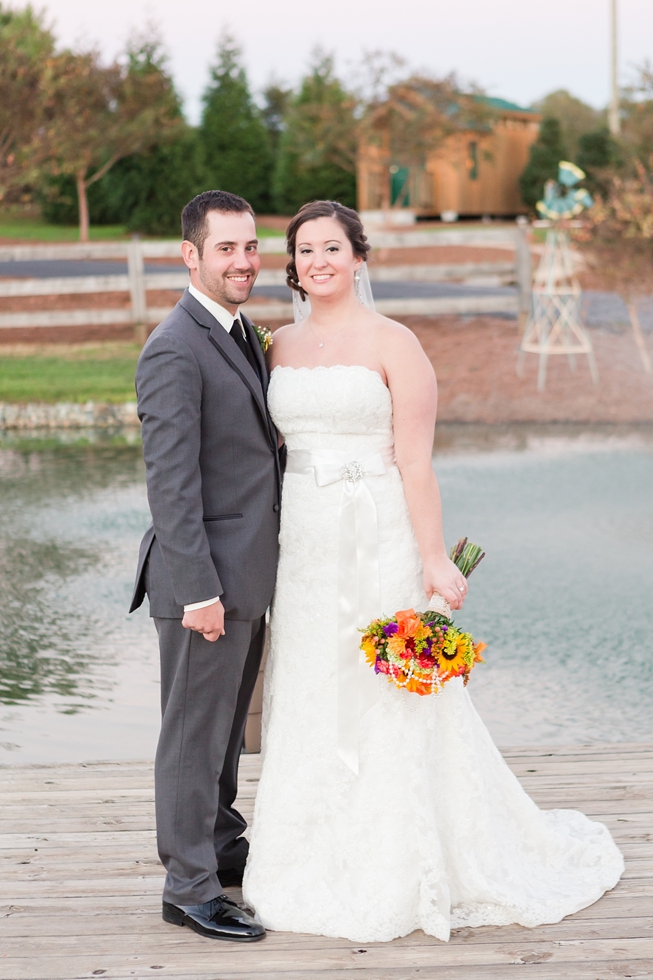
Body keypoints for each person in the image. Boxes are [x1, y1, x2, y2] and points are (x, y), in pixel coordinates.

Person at [242, 200, 624, 943]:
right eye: (304, 249)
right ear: (291, 264)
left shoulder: (396, 343)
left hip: (378, 533)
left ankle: (405, 858)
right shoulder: (277, 346)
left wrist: (431, 556)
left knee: (385, 692)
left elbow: (415, 462)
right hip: (307, 548)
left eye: (331, 247)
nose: (317, 260)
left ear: (358, 257)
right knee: (315, 685)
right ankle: (307, 848)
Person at [130, 190, 282, 942]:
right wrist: (198, 590)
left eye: (250, 247)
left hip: (245, 575)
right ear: (191, 255)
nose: (243, 261)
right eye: (226, 248)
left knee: (222, 736)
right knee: (192, 738)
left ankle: (221, 853)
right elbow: (172, 486)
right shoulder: (172, 347)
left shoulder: (239, 332)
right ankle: (187, 887)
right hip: (203, 586)